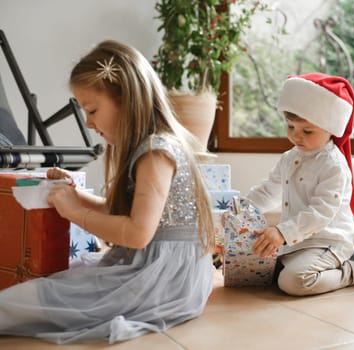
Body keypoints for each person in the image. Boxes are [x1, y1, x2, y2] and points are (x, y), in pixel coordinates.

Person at [0, 40, 215, 344]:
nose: (88, 123)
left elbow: (137, 233)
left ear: (126, 99)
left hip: (159, 280)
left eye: (92, 110)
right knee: (52, 285)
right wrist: (76, 197)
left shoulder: (156, 151)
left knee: (25, 300)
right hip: (156, 271)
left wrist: (75, 213)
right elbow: (125, 216)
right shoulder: (151, 146)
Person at [246, 72, 354, 296]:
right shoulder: (289, 158)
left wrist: (282, 232)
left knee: (294, 282)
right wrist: (241, 209)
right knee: (256, 274)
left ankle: (348, 272)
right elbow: (268, 190)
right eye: (290, 127)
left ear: (331, 129)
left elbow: (321, 211)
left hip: (327, 241)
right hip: (295, 242)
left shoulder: (333, 165)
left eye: (307, 131)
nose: (296, 137)